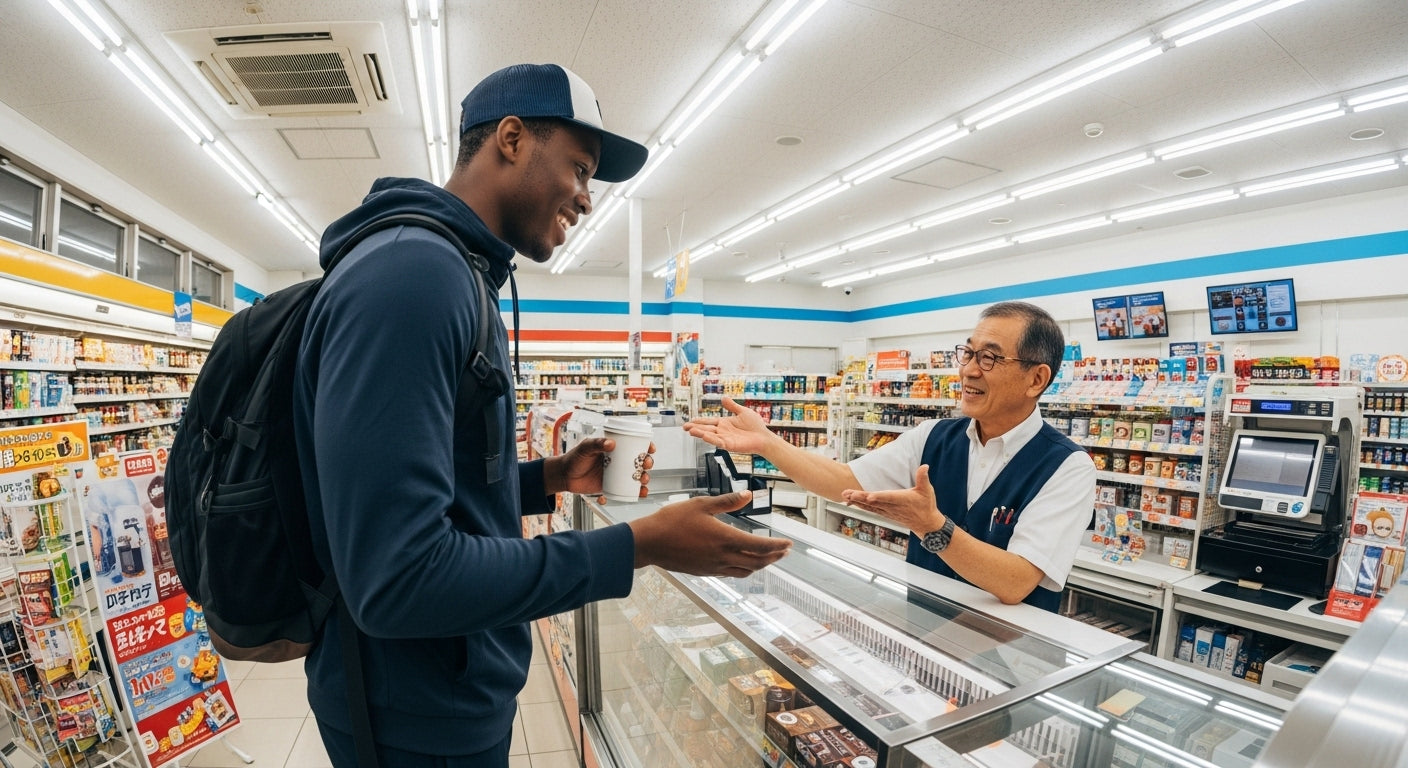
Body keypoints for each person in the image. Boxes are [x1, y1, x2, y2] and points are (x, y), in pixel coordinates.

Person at [292, 63, 791, 767]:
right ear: (512, 138)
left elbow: (434, 484)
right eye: (581, 170)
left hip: (437, 691)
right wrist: (637, 546)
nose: (587, 199)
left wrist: (546, 477)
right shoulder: (413, 279)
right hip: (410, 717)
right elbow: (396, 579)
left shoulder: (457, 275)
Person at [684, 301, 1094, 610]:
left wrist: (931, 526)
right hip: (923, 627)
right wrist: (768, 443)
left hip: (1012, 659)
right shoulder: (936, 435)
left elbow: (1016, 581)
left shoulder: (1067, 468)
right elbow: (843, 480)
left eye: (989, 357)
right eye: (967, 353)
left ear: (1036, 378)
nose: (969, 370)